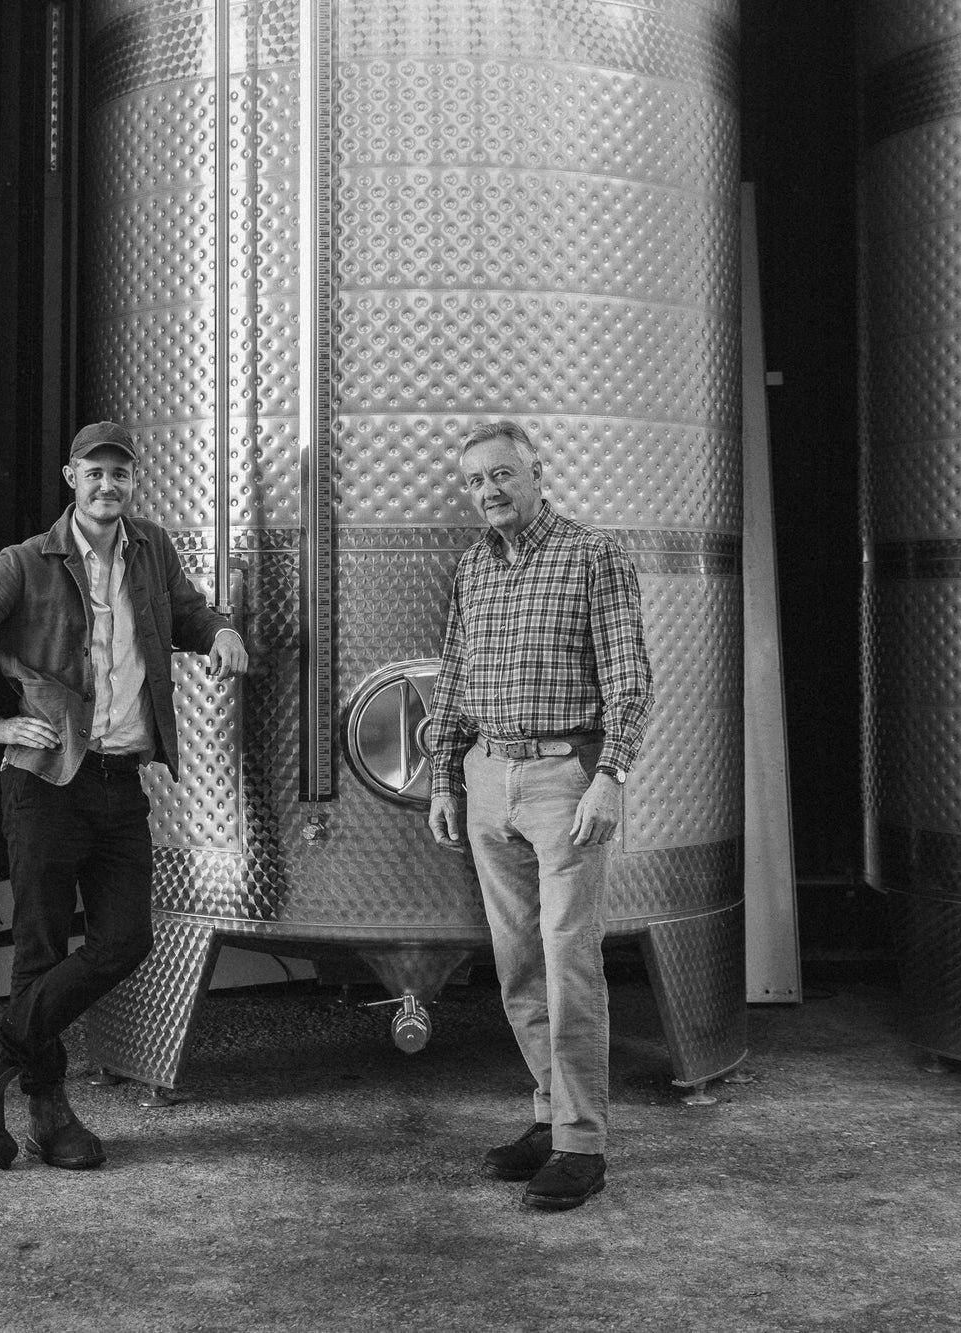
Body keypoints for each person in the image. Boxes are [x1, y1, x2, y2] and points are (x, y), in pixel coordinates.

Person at [0, 420, 248, 1171]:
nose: (107, 485)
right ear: (71, 477)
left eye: (119, 474)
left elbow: (185, 614)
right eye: (94, 473)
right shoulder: (26, 563)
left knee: (126, 938)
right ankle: (51, 1115)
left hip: (121, 778)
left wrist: (221, 628)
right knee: (39, 948)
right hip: (46, 783)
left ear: (133, 480)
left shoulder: (152, 547)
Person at [424, 419, 653, 1211]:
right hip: (488, 771)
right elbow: (452, 679)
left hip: (566, 775)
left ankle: (582, 1143)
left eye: (501, 474)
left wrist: (611, 775)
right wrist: (444, 779)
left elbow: (630, 678)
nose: (489, 490)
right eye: (476, 481)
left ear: (536, 472)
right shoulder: (472, 568)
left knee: (569, 960)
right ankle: (550, 1114)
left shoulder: (594, 555)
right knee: (518, 964)